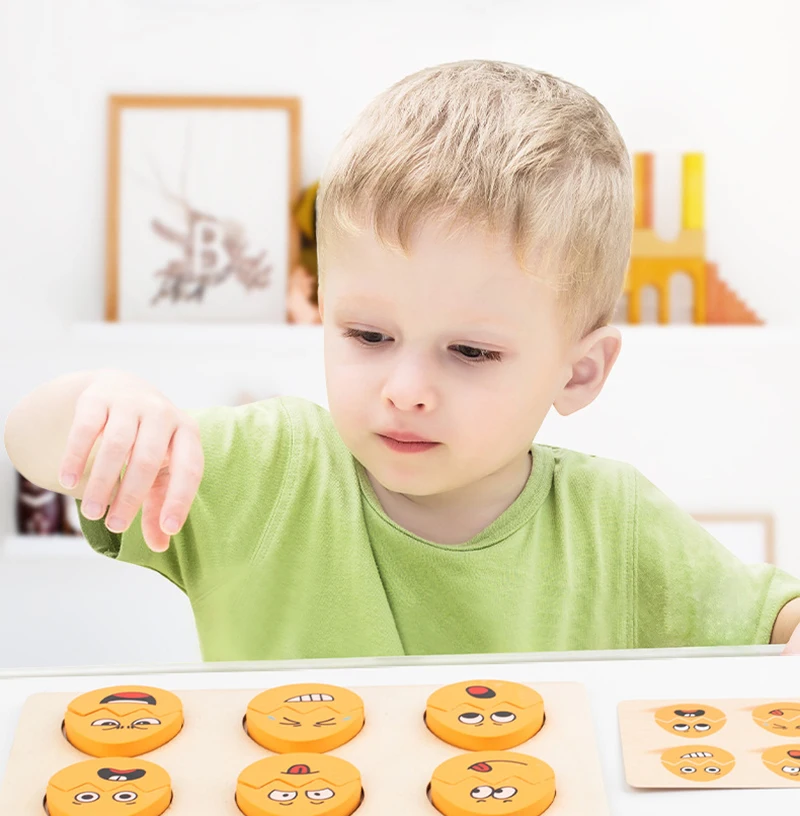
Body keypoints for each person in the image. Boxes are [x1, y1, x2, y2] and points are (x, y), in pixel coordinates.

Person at [6, 59, 800, 661]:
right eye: (368, 337)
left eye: (471, 351)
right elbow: (36, 449)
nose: (407, 390)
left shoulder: (616, 525)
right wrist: (104, 403)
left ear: (579, 372)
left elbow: (774, 623)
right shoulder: (263, 469)